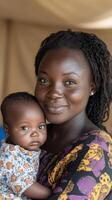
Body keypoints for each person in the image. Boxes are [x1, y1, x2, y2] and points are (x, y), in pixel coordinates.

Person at [34, 30, 112, 199]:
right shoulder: (32, 135)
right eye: (44, 80)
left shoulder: (96, 150)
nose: (54, 93)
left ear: (92, 86)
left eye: (69, 82)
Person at [0, 92, 51, 199]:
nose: (35, 134)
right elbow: (28, 187)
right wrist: (53, 193)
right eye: (25, 128)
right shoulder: (9, 157)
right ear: (7, 129)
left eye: (41, 126)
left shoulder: (26, 147)